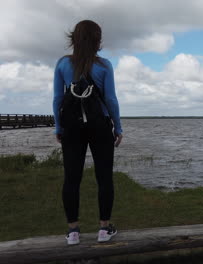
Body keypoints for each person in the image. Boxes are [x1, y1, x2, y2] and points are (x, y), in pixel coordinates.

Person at [52, 20, 123, 245]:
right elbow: (110, 100)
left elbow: (57, 99)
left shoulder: (62, 64)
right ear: (97, 41)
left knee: (71, 179)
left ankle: (73, 232)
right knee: (104, 178)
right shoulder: (104, 66)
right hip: (100, 126)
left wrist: (58, 126)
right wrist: (118, 127)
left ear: (73, 38)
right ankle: (104, 229)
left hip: (72, 127)